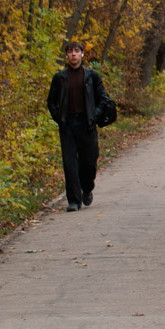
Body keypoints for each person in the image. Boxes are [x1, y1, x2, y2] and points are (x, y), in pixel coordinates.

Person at [46, 40, 109, 211]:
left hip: (87, 124)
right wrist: (59, 118)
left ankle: (87, 189)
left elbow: (103, 99)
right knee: (69, 163)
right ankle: (73, 200)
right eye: (70, 51)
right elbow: (51, 101)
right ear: (66, 55)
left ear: (82, 54)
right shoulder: (59, 78)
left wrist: (94, 116)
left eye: (76, 51)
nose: (73, 54)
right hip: (68, 125)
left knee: (89, 162)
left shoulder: (92, 76)